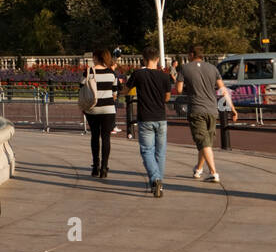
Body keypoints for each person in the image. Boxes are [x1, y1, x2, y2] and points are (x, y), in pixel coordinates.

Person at [121, 47, 175, 197]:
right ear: (157, 59)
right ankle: (159, 183)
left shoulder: (138, 74)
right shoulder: (164, 76)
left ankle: (155, 178)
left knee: (146, 150)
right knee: (160, 152)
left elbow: (125, 90)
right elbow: (167, 98)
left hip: (145, 117)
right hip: (161, 117)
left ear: (143, 59)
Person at [175, 45, 234, 183]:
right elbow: (223, 90)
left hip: (196, 109)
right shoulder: (213, 68)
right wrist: (232, 108)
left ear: (191, 55)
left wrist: (188, 89)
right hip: (212, 110)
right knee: (206, 142)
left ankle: (213, 172)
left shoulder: (185, 68)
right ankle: (199, 169)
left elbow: (178, 90)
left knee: (204, 142)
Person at [83, 48, 119, 179]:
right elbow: (115, 93)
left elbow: (82, 90)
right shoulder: (111, 73)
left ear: (96, 57)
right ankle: (104, 167)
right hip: (108, 109)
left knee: (94, 136)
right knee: (106, 138)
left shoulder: (88, 72)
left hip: (92, 108)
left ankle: (95, 166)